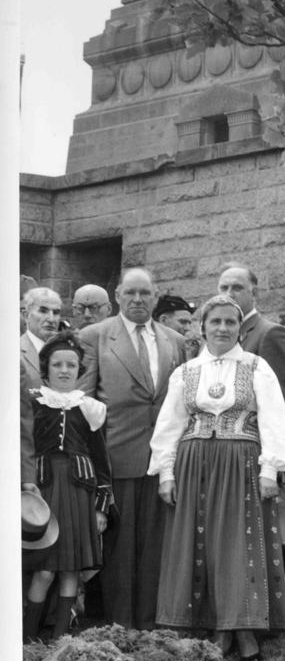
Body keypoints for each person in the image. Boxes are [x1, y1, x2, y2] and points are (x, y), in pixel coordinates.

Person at [149, 295, 285, 661]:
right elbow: (170, 423)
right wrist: (166, 472)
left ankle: (238, 628)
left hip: (240, 464)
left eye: (230, 322)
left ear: (239, 327)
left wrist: (269, 469)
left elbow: (274, 420)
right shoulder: (185, 373)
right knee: (199, 543)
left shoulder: (256, 366)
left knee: (235, 544)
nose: (222, 328)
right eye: (215, 321)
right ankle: (211, 627)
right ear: (203, 327)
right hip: (194, 462)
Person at [79, 266, 187, 629]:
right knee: (120, 550)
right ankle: (119, 626)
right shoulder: (95, 336)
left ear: (156, 297)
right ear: (117, 297)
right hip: (116, 458)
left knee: (158, 546)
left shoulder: (174, 340)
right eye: (130, 293)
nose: (138, 300)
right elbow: (83, 401)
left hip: (163, 460)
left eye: (145, 293)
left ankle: (154, 624)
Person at [22, 332, 114, 642]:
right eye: (57, 365)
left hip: (78, 494)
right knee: (44, 569)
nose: (64, 371)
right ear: (46, 369)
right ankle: (27, 638)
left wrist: (101, 506)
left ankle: (60, 640)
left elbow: (101, 462)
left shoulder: (88, 408)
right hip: (44, 492)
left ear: (79, 370)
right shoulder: (34, 402)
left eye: (71, 366)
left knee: (70, 570)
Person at [217, 266, 285, 418]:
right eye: (224, 288)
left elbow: (281, 400)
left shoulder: (270, 334)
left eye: (237, 288)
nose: (229, 294)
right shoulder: (212, 337)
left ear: (254, 293)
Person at [20, 287, 63, 389]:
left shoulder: (68, 350)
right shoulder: (12, 352)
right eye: (43, 311)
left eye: (56, 313)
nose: (51, 319)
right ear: (26, 316)